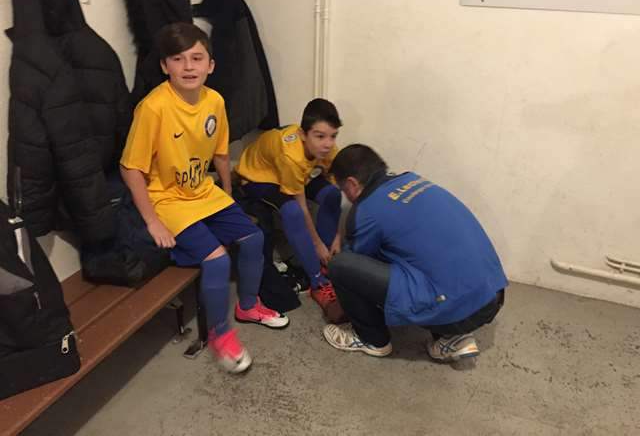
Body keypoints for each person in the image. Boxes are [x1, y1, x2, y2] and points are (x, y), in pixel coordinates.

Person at [120, 22, 288, 374]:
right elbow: (130, 168)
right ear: (165, 66)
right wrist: (152, 221)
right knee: (217, 259)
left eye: (197, 58)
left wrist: (227, 192)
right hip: (166, 199)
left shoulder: (215, 101)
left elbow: (221, 153)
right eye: (178, 59)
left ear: (210, 65)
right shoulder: (153, 107)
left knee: (254, 237)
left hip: (203, 191)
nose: (188, 66)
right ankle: (219, 334)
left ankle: (248, 306)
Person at [322, 144, 507, 362]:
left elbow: (357, 268)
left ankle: (372, 339)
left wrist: (339, 306)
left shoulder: (366, 211)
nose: (346, 196)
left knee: (340, 265)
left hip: (459, 311)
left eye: (343, 190)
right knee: (416, 258)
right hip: (493, 295)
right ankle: (451, 338)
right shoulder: (413, 180)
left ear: (352, 184)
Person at [234, 99, 344, 321]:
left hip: (292, 174)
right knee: (292, 211)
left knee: (332, 194)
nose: (327, 144)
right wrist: (317, 244)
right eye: (320, 136)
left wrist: (337, 238)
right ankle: (317, 281)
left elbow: (339, 186)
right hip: (257, 177)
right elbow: (301, 207)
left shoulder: (328, 148)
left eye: (333, 136)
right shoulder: (290, 155)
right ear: (303, 134)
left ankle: (326, 263)